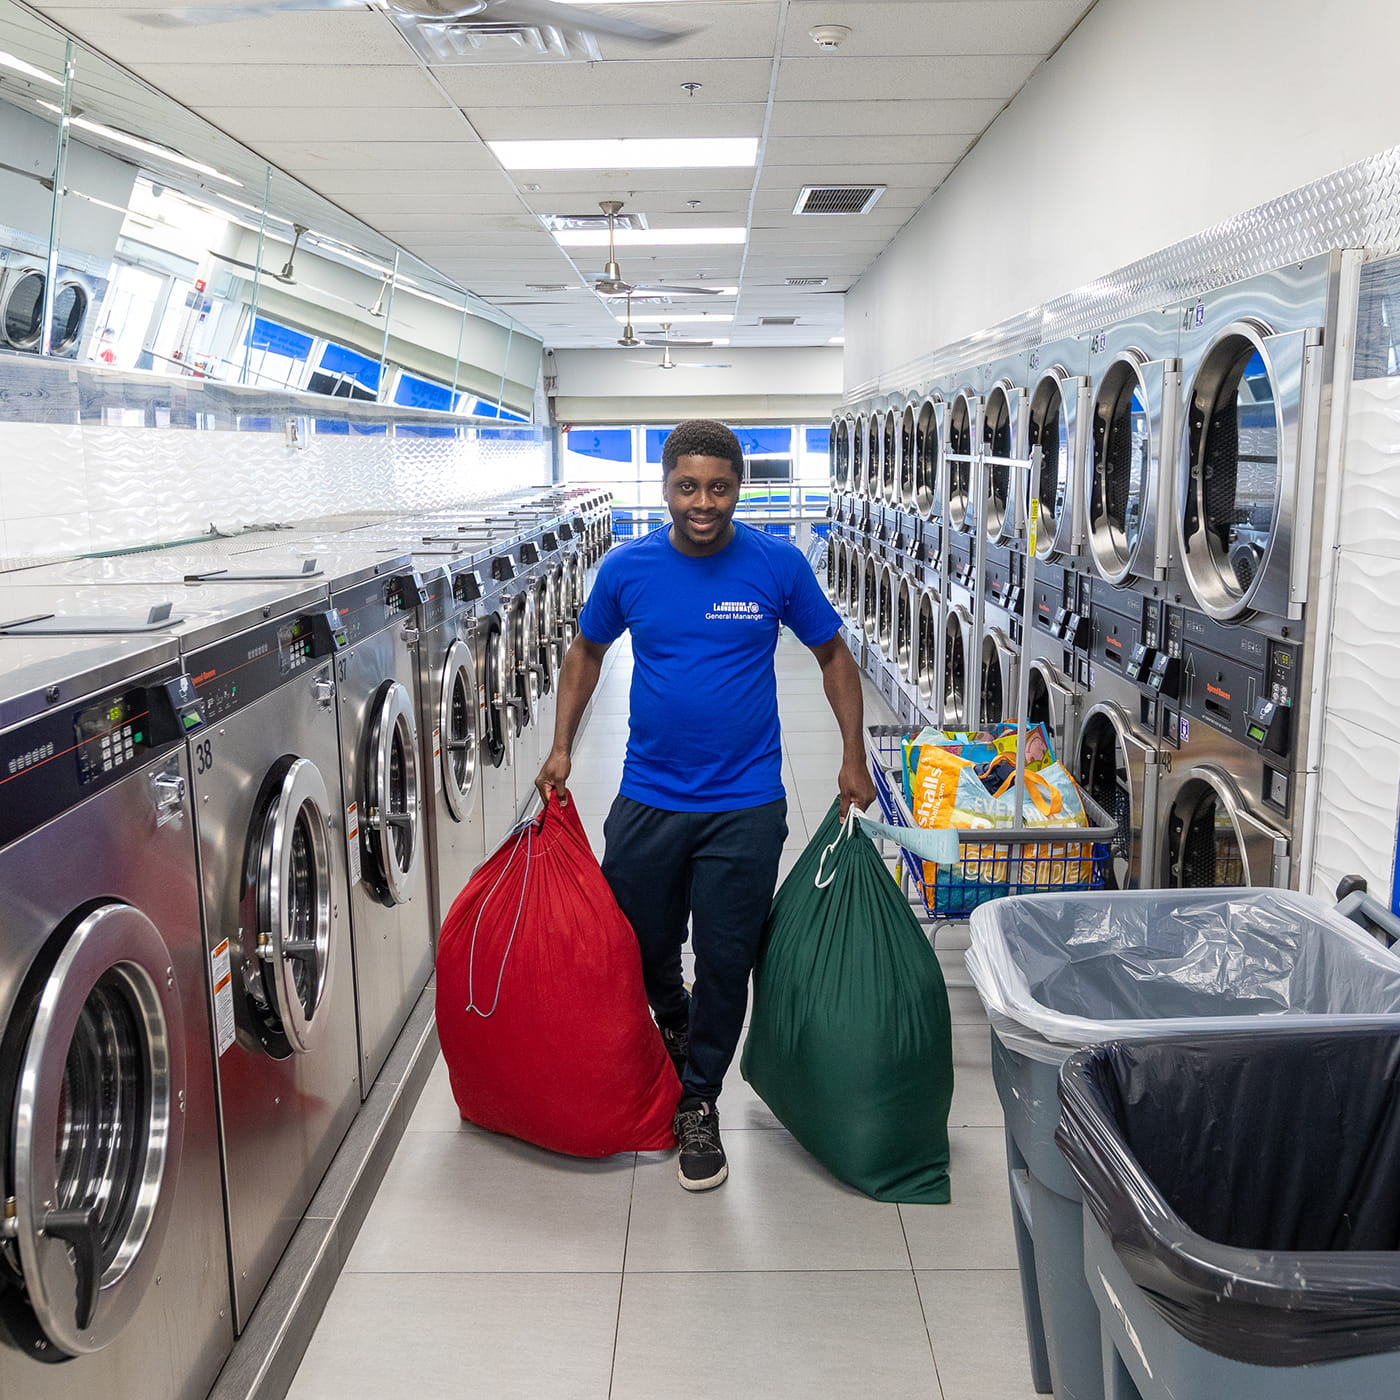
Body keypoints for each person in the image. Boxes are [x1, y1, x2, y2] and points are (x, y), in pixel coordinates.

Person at [536, 420, 877, 1191]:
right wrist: (562, 747)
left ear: (738, 489)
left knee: (728, 957)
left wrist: (853, 754)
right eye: (687, 485)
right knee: (639, 940)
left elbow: (832, 654)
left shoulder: (777, 565)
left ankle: (699, 1096)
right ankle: (673, 1012)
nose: (703, 502)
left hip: (747, 800)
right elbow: (586, 651)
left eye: (718, 487)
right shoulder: (628, 569)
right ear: (664, 487)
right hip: (649, 794)